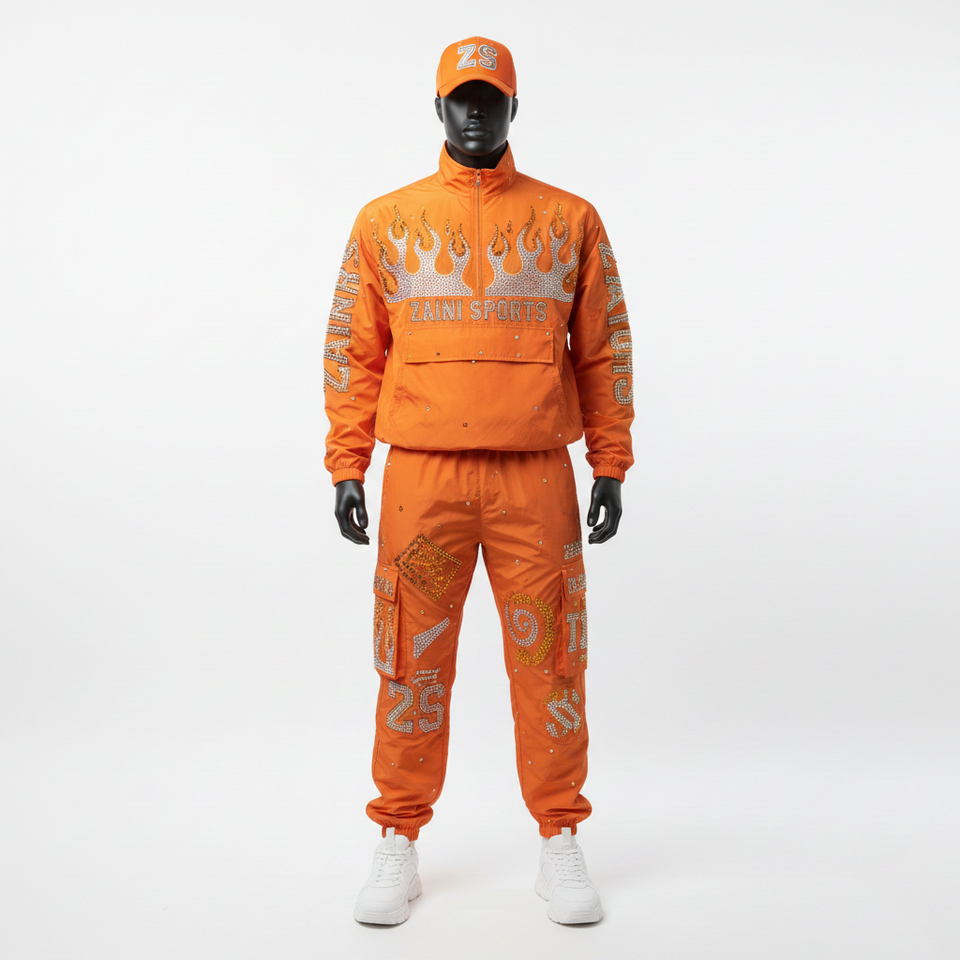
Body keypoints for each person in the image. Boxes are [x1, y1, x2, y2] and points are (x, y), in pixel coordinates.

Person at [323, 36, 634, 925]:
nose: (473, 113)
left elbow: (603, 348)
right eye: (460, 98)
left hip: (535, 482)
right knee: (410, 655)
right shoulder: (385, 222)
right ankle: (398, 836)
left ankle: (559, 835)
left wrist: (609, 460)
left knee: (552, 657)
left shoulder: (570, 220)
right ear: (436, 109)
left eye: (489, 99)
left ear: (513, 110)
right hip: (424, 484)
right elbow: (354, 352)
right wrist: (348, 463)